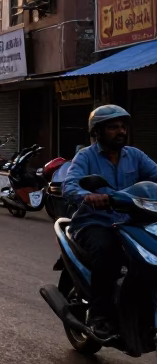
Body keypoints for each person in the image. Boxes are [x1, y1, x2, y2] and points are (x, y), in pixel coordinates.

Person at [63, 104, 157, 339]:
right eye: (113, 127)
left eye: (123, 126)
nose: (120, 131)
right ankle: (99, 316)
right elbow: (70, 185)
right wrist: (89, 196)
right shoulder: (86, 156)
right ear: (98, 131)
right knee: (109, 254)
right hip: (94, 223)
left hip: (131, 222)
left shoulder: (135, 155)